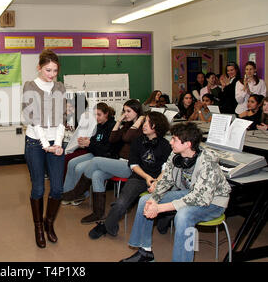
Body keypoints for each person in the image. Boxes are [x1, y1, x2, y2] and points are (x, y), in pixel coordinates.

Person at [120, 122, 231, 262]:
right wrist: (154, 199)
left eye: (174, 139)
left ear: (188, 144)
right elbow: (166, 180)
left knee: (184, 215)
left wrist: (159, 208)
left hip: (213, 201)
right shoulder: (175, 154)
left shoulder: (207, 161)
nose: (170, 142)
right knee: (145, 201)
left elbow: (200, 198)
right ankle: (145, 251)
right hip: (190, 194)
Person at [88, 111, 171, 239]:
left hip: (159, 180)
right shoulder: (138, 141)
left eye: (148, 122)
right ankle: (108, 226)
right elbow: (133, 164)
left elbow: (166, 168)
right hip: (139, 178)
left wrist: (156, 181)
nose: (144, 125)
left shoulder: (165, 145)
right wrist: (147, 177)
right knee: (121, 203)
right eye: (144, 121)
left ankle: (163, 223)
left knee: (169, 201)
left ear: (157, 126)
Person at [63, 99, 144, 223]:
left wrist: (140, 119)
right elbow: (112, 138)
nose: (125, 114)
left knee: (95, 161)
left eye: (128, 111)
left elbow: (128, 138)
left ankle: (77, 192)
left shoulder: (140, 128)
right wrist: (119, 121)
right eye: (124, 111)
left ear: (137, 112)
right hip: (119, 162)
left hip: (131, 166)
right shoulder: (126, 125)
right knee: (96, 175)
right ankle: (98, 213)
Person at [22, 49, 66, 248]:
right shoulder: (30, 86)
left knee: (57, 188)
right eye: (48, 70)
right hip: (35, 142)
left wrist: (57, 143)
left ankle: (49, 223)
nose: (52, 75)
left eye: (55, 71)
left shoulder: (60, 87)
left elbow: (63, 118)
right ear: (39, 68)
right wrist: (45, 144)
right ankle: (38, 227)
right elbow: (33, 119)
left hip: (54, 142)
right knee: (38, 187)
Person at [61, 102, 116, 206]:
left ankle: (80, 194)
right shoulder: (99, 126)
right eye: (95, 115)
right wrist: (87, 141)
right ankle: (67, 192)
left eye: (99, 115)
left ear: (106, 114)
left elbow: (106, 150)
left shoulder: (112, 127)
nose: (96, 117)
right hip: (95, 153)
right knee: (71, 163)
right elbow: (95, 142)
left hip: (103, 157)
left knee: (79, 168)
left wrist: (90, 143)